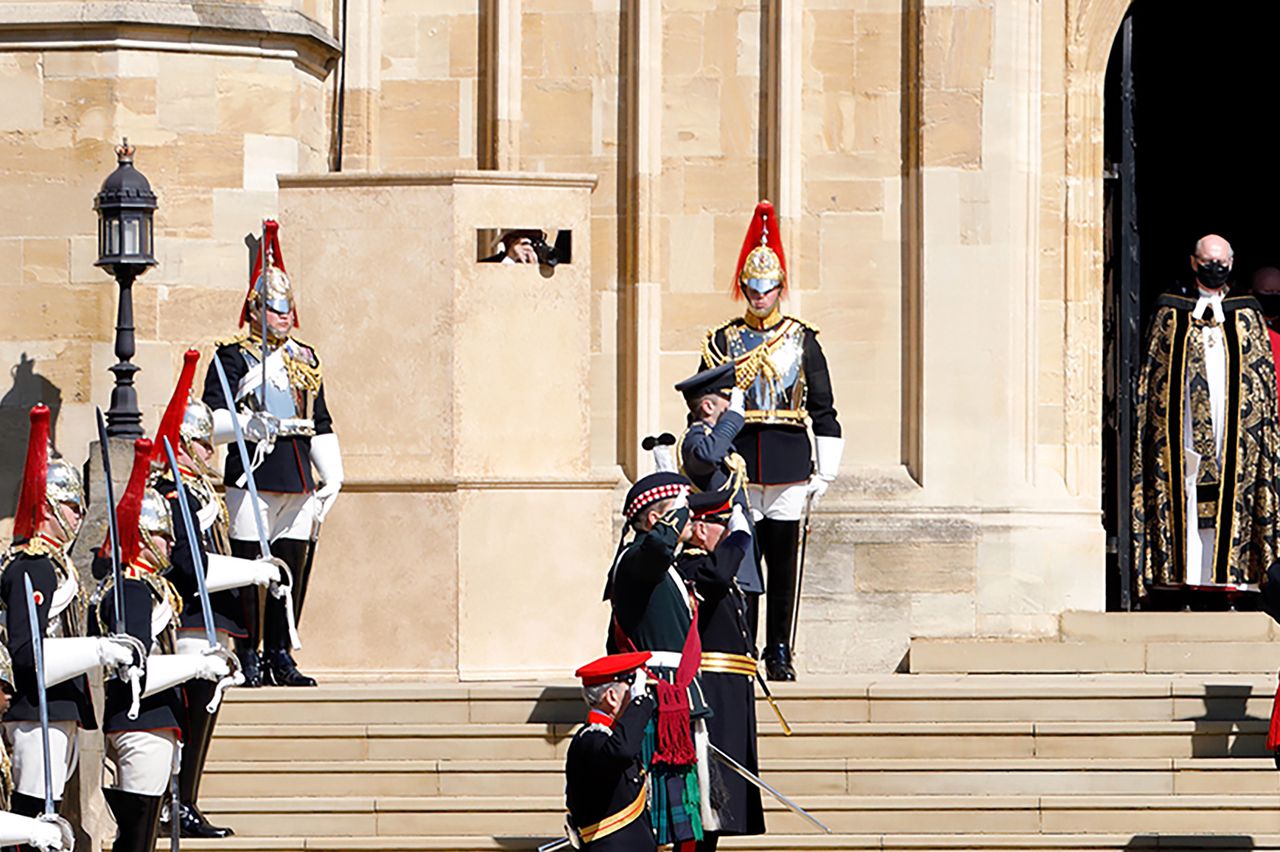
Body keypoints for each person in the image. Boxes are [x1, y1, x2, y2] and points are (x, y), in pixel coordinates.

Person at [698, 200, 843, 681]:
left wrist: (825, 470)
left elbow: (822, 406)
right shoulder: (722, 340)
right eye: (752, 288)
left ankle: (778, 648)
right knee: (743, 564)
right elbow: (701, 399)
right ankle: (743, 646)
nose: (760, 296)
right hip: (739, 461)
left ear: (780, 289)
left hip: (786, 463)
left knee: (782, 565)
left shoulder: (802, 340)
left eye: (768, 288)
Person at [201, 219, 344, 688]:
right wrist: (247, 423)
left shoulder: (306, 357)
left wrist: (333, 475)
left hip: (299, 473)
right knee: (249, 570)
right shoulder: (231, 357)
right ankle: (249, 653)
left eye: (287, 310)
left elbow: (318, 419)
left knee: (290, 568)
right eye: (274, 309)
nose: (283, 318)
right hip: (255, 470)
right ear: (255, 309)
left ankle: (281, 652)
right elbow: (209, 419)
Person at [151, 350, 281, 838]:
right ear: (184, 445)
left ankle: (187, 800)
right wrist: (252, 571)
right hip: (188, 619)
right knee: (190, 714)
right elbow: (188, 567)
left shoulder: (194, 490)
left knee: (203, 717)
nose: (210, 452)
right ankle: (175, 804)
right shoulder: (172, 494)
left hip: (211, 619)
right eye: (203, 444)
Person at [2, 405, 136, 839]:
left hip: (61, 706)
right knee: (31, 819)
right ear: (50, 509)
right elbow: (28, 655)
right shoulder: (32, 567)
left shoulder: (57, 568)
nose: (79, 516)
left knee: (52, 818)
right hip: (35, 708)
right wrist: (99, 650)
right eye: (72, 506)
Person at [94, 438, 234, 852]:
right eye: (162, 536)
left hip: (157, 721)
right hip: (141, 722)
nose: (170, 545)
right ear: (143, 536)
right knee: (136, 842)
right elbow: (135, 669)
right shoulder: (133, 591)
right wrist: (196, 667)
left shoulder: (148, 588)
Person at [1132, 234, 1280, 598]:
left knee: (1232, 495)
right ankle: (1181, 580)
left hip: (1235, 432)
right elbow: (1155, 374)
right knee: (1185, 493)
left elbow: (1260, 379)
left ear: (1232, 263)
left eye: (1222, 262)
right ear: (1194, 262)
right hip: (1181, 430)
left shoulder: (1247, 312)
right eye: (1208, 261)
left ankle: (1232, 582)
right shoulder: (1171, 309)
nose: (1215, 268)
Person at [605, 472, 715, 849]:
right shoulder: (638, 558)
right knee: (657, 808)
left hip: (676, 689)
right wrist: (677, 516)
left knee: (682, 809)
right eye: (681, 512)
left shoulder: (663, 567)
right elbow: (656, 549)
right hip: (657, 693)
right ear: (656, 520)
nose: (691, 520)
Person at [676, 492, 764, 847]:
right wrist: (741, 538)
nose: (728, 533)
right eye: (722, 525)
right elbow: (713, 580)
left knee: (721, 800)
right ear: (698, 529)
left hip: (730, 691)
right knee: (706, 791)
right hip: (711, 688)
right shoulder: (693, 567)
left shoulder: (713, 565)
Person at [675, 363, 763, 640]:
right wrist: (733, 420)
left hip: (738, 553)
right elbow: (706, 458)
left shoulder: (720, 445)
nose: (734, 407)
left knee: (745, 642)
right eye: (728, 400)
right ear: (709, 407)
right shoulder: (695, 441)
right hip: (718, 552)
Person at [563, 651, 656, 851]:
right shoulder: (590, 739)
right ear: (612, 697)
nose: (636, 696)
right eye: (630, 689)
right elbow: (622, 752)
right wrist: (639, 704)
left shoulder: (612, 737)